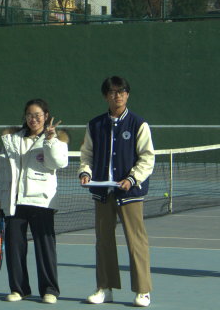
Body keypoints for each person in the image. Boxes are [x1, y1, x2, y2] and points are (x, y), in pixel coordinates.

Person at [79, 76, 155, 307]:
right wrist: (85, 173)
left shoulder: (139, 124)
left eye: (121, 91)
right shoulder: (95, 125)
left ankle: (143, 291)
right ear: (105, 96)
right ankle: (105, 288)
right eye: (112, 92)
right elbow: (86, 155)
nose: (117, 95)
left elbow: (147, 158)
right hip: (103, 193)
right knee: (103, 241)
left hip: (130, 193)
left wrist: (132, 178)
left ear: (127, 94)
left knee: (136, 241)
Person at [0, 99, 69, 304]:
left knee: (45, 248)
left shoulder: (56, 140)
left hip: (41, 202)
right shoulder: (12, 140)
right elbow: (2, 171)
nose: (33, 119)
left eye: (37, 115)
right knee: (14, 248)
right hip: (14, 201)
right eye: (29, 115)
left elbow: (58, 163)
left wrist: (50, 141)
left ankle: (49, 290)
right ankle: (19, 289)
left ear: (46, 116)